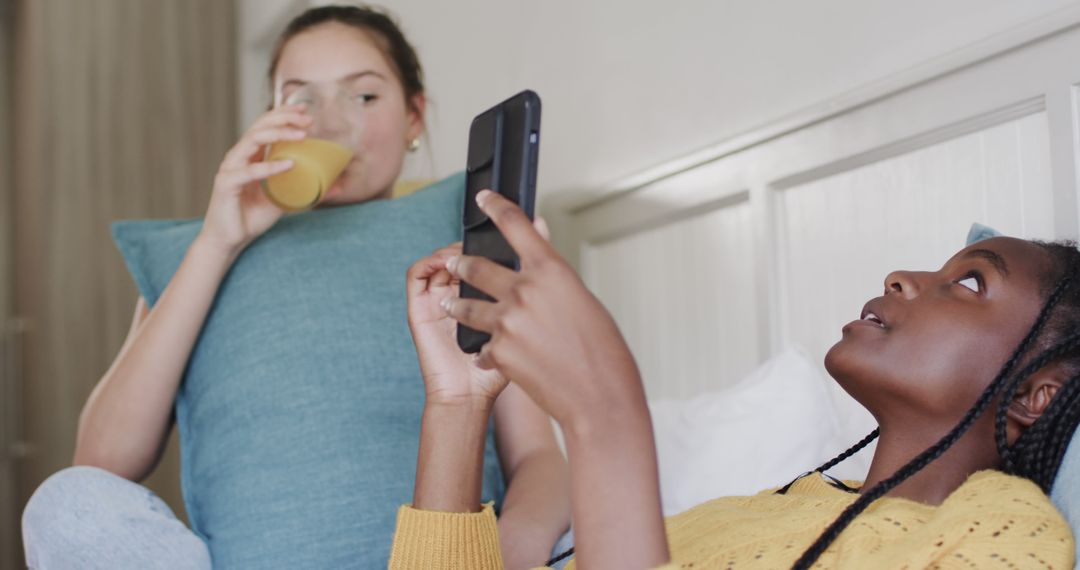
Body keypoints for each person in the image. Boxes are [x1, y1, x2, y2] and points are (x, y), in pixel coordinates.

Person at [21, 7, 569, 570]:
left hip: (445, 559)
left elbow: (539, 457)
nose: (329, 124)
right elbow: (99, 461)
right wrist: (217, 241)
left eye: (364, 96)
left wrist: (508, 552)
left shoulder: (466, 238)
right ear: (272, 120)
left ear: (414, 116)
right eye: (300, 99)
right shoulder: (203, 255)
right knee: (65, 504)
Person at [388, 188, 1078, 569]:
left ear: (1035, 393)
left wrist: (606, 416)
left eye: (968, 281)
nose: (903, 276)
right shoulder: (767, 508)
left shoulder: (1007, 534)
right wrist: (455, 402)